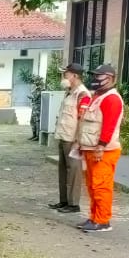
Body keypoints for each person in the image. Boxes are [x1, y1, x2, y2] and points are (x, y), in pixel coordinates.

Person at [77, 64, 124, 233]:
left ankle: (103, 220)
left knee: (101, 186)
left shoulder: (112, 99)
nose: (95, 79)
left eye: (99, 76)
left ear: (110, 78)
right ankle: (94, 217)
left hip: (104, 150)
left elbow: (109, 126)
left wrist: (101, 146)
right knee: (92, 186)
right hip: (92, 148)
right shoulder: (98, 96)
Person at [49, 63, 91, 214]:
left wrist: (78, 141)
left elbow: (83, 119)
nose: (64, 76)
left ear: (75, 76)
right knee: (63, 170)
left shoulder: (82, 94)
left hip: (73, 139)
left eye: (66, 74)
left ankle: (73, 204)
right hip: (63, 136)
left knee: (74, 170)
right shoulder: (70, 92)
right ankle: (64, 201)